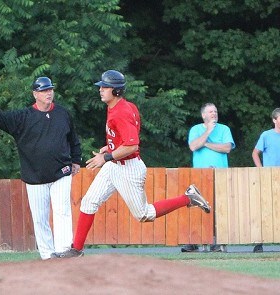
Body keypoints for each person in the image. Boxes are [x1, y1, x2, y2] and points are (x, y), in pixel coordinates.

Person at [54, 70, 211, 258]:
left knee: (144, 214)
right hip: (115, 164)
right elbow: (126, 138)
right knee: (89, 202)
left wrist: (105, 157)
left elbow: (132, 145)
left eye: (105, 87)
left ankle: (189, 197)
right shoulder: (123, 106)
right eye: (101, 86)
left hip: (128, 168)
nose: (101, 90)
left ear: (116, 91)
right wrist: (110, 147)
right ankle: (76, 250)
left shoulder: (120, 112)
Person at [0, 77, 82, 260]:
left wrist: (76, 160)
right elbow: (1, 119)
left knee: (62, 211)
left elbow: (73, 139)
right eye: (44, 90)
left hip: (61, 172)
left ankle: (63, 250)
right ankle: (48, 255)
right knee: (40, 218)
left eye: (50, 89)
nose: (49, 93)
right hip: (34, 175)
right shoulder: (23, 117)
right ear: (35, 94)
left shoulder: (63, 113)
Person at [182, 103, 235, 252]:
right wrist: (208, 132)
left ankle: (216, 241)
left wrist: (205, 143)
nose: (214, 114)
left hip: (220, 174)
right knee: (197, 206)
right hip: (200, 175)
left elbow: (227, 148)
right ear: (203, 115)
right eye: (210, 112)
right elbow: (193, 147)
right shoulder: (196, 129)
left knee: (219, 208)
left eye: (216, 111)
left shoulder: (224, 129)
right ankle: (193, 241)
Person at [251, 107, 280, 253]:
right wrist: (261, 170)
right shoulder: (266, 135)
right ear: (274, 120)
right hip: (269, 177)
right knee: (265, 209)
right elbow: (255, 153)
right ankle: (259, 242)